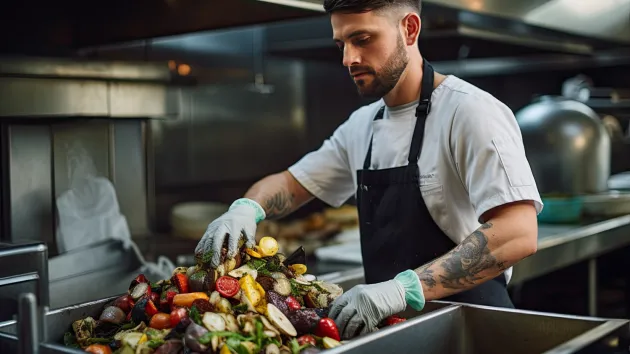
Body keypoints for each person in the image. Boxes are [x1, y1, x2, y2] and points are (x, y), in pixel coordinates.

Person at [196, 0, 543, 340]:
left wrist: (402, 290)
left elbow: (518, 232)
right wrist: (246, 209)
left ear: (409, 29)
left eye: (362, 39)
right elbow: (289, 183)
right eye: (341, 44)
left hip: (469, 331)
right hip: (389, 335)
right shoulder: (362, 126)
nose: (349, 59)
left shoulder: (469, 112)